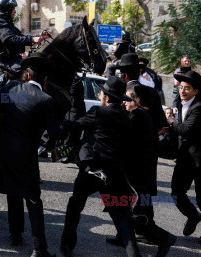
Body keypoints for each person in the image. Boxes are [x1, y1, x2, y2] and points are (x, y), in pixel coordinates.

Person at [60, 76, 142, 257]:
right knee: (121, 215)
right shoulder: (126, 119)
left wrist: (63, 121)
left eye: (102, 93)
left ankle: (67, 245)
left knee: (75, 204)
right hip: (116, 173)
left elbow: (76, 124)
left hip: (94, 170)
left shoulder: (99, 112)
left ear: (106, 96)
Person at [0, 52, 61, 257]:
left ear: (28, 75)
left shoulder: (11, 89)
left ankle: (15, 234)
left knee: (13, 194)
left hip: (5, 153)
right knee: (33, 200)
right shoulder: (46, 99)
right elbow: (54, 134)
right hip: (27, 157)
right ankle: (39, 248)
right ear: (45, 79)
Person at [107, 85, 176, 257]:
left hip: (139, 176)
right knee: (125, 210)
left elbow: (124, 136)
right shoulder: (140, 114)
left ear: (136, 100)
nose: (125, 102)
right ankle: (123, 238)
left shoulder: (138, 115)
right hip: (139, 174)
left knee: (139, 218)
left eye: (128, 98)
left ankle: (165, 238)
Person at [167, 70, 201, 245]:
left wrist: (171, 120)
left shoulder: (199, 108)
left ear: (196, 91)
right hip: (185, 158)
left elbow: (184, 129)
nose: (182, 91)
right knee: (176, 192)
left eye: (187, 88)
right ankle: (192, 215)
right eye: (181, 87)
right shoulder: (181, 104)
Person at [0, 0, 50, 77]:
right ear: (7, 9)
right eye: (13, 9)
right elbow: (9, 39)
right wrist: (32, 39)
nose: (15, 11)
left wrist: (39, 36)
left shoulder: (6, 23)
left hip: (12, 59)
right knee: (30, 75)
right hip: (4, 61)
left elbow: (20, 36)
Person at [116, 53, 167, 133]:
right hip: (150, 142)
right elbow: (161, 123)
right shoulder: (153, 91)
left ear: (125, 76)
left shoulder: (122, 93)